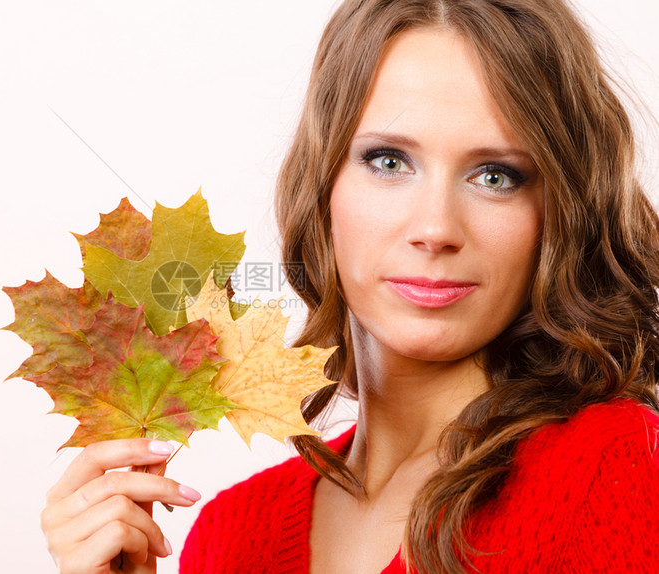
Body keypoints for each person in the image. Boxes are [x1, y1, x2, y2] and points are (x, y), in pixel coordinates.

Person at [39, 0, 659, 572]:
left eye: (495, 175)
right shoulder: (231, 535)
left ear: (556, 213)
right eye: (389, 161)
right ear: (322, 187)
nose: (436, 228)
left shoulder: (619, 470)